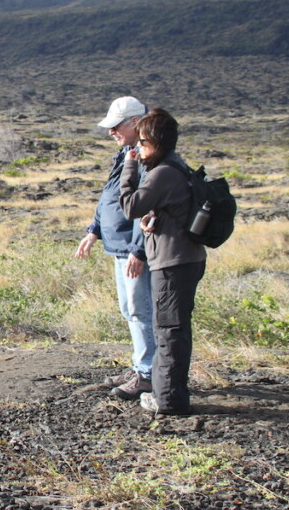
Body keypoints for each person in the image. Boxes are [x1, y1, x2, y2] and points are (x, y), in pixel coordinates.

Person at [119, 108, 206, 415]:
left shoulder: (162, 173)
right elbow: (168, 209)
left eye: (142, 142)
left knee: (168, 331)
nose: (138, 149)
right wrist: (150, 221)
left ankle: (168, 401)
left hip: (173, 263)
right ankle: (170, 393)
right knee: (174, 330)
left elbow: (129, 205)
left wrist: (129, 168)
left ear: (155, 140)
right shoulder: (176, 167)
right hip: (184, 259)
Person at [74, 96, 155, 400]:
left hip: (131, 250)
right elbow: (110, 196)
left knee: (140, 310)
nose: (111, 132)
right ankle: (140, 367)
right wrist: (94, 230)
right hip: (120, 246)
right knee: (130, 309)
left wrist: (138, 249)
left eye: (116, 126)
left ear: (135, 123)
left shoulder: (146, 158)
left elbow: (148, 208)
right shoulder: (126, 154)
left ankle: (147, 374)